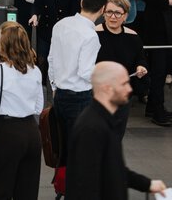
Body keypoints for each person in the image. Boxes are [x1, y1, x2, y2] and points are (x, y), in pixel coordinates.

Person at [66, 62, 168, 200]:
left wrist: (148, 184)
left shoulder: (106, 120)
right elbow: (85, 186)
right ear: (107, 88)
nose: (129, 89)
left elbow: (114, 169)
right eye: (123, 84)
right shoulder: (91, 128)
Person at [0, 22, 43, 200]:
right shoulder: (35, 70)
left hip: (7, 133)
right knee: (27, 190)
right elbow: (38, 107)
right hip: (32, 132)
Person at [47, 0, 107, 154]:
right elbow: (86, 72)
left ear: (81, 3)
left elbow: (51, 59)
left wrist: (54, 87)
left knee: (62, 149)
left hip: (60, 94)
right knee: (81, 150)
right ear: (102, 10)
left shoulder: (60, 25)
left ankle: (63, 180)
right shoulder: (90, 35)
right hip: (80, 97)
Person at [96, 0, 149, 135]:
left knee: (117, 135)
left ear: (125, 16)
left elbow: (141, 59)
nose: (113, 17)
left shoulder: (133, 37)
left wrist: (141, 67)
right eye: (109, 12)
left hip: (122, 94)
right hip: (97, 93)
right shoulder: (93, 34)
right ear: (103, 12)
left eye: (118, 13)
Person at [138, 0, 172, 127]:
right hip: (157, 26)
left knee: (165, 67)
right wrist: (166, 0)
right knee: (158, 70)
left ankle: (153, 105)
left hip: (170, 26)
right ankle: (157, 109)